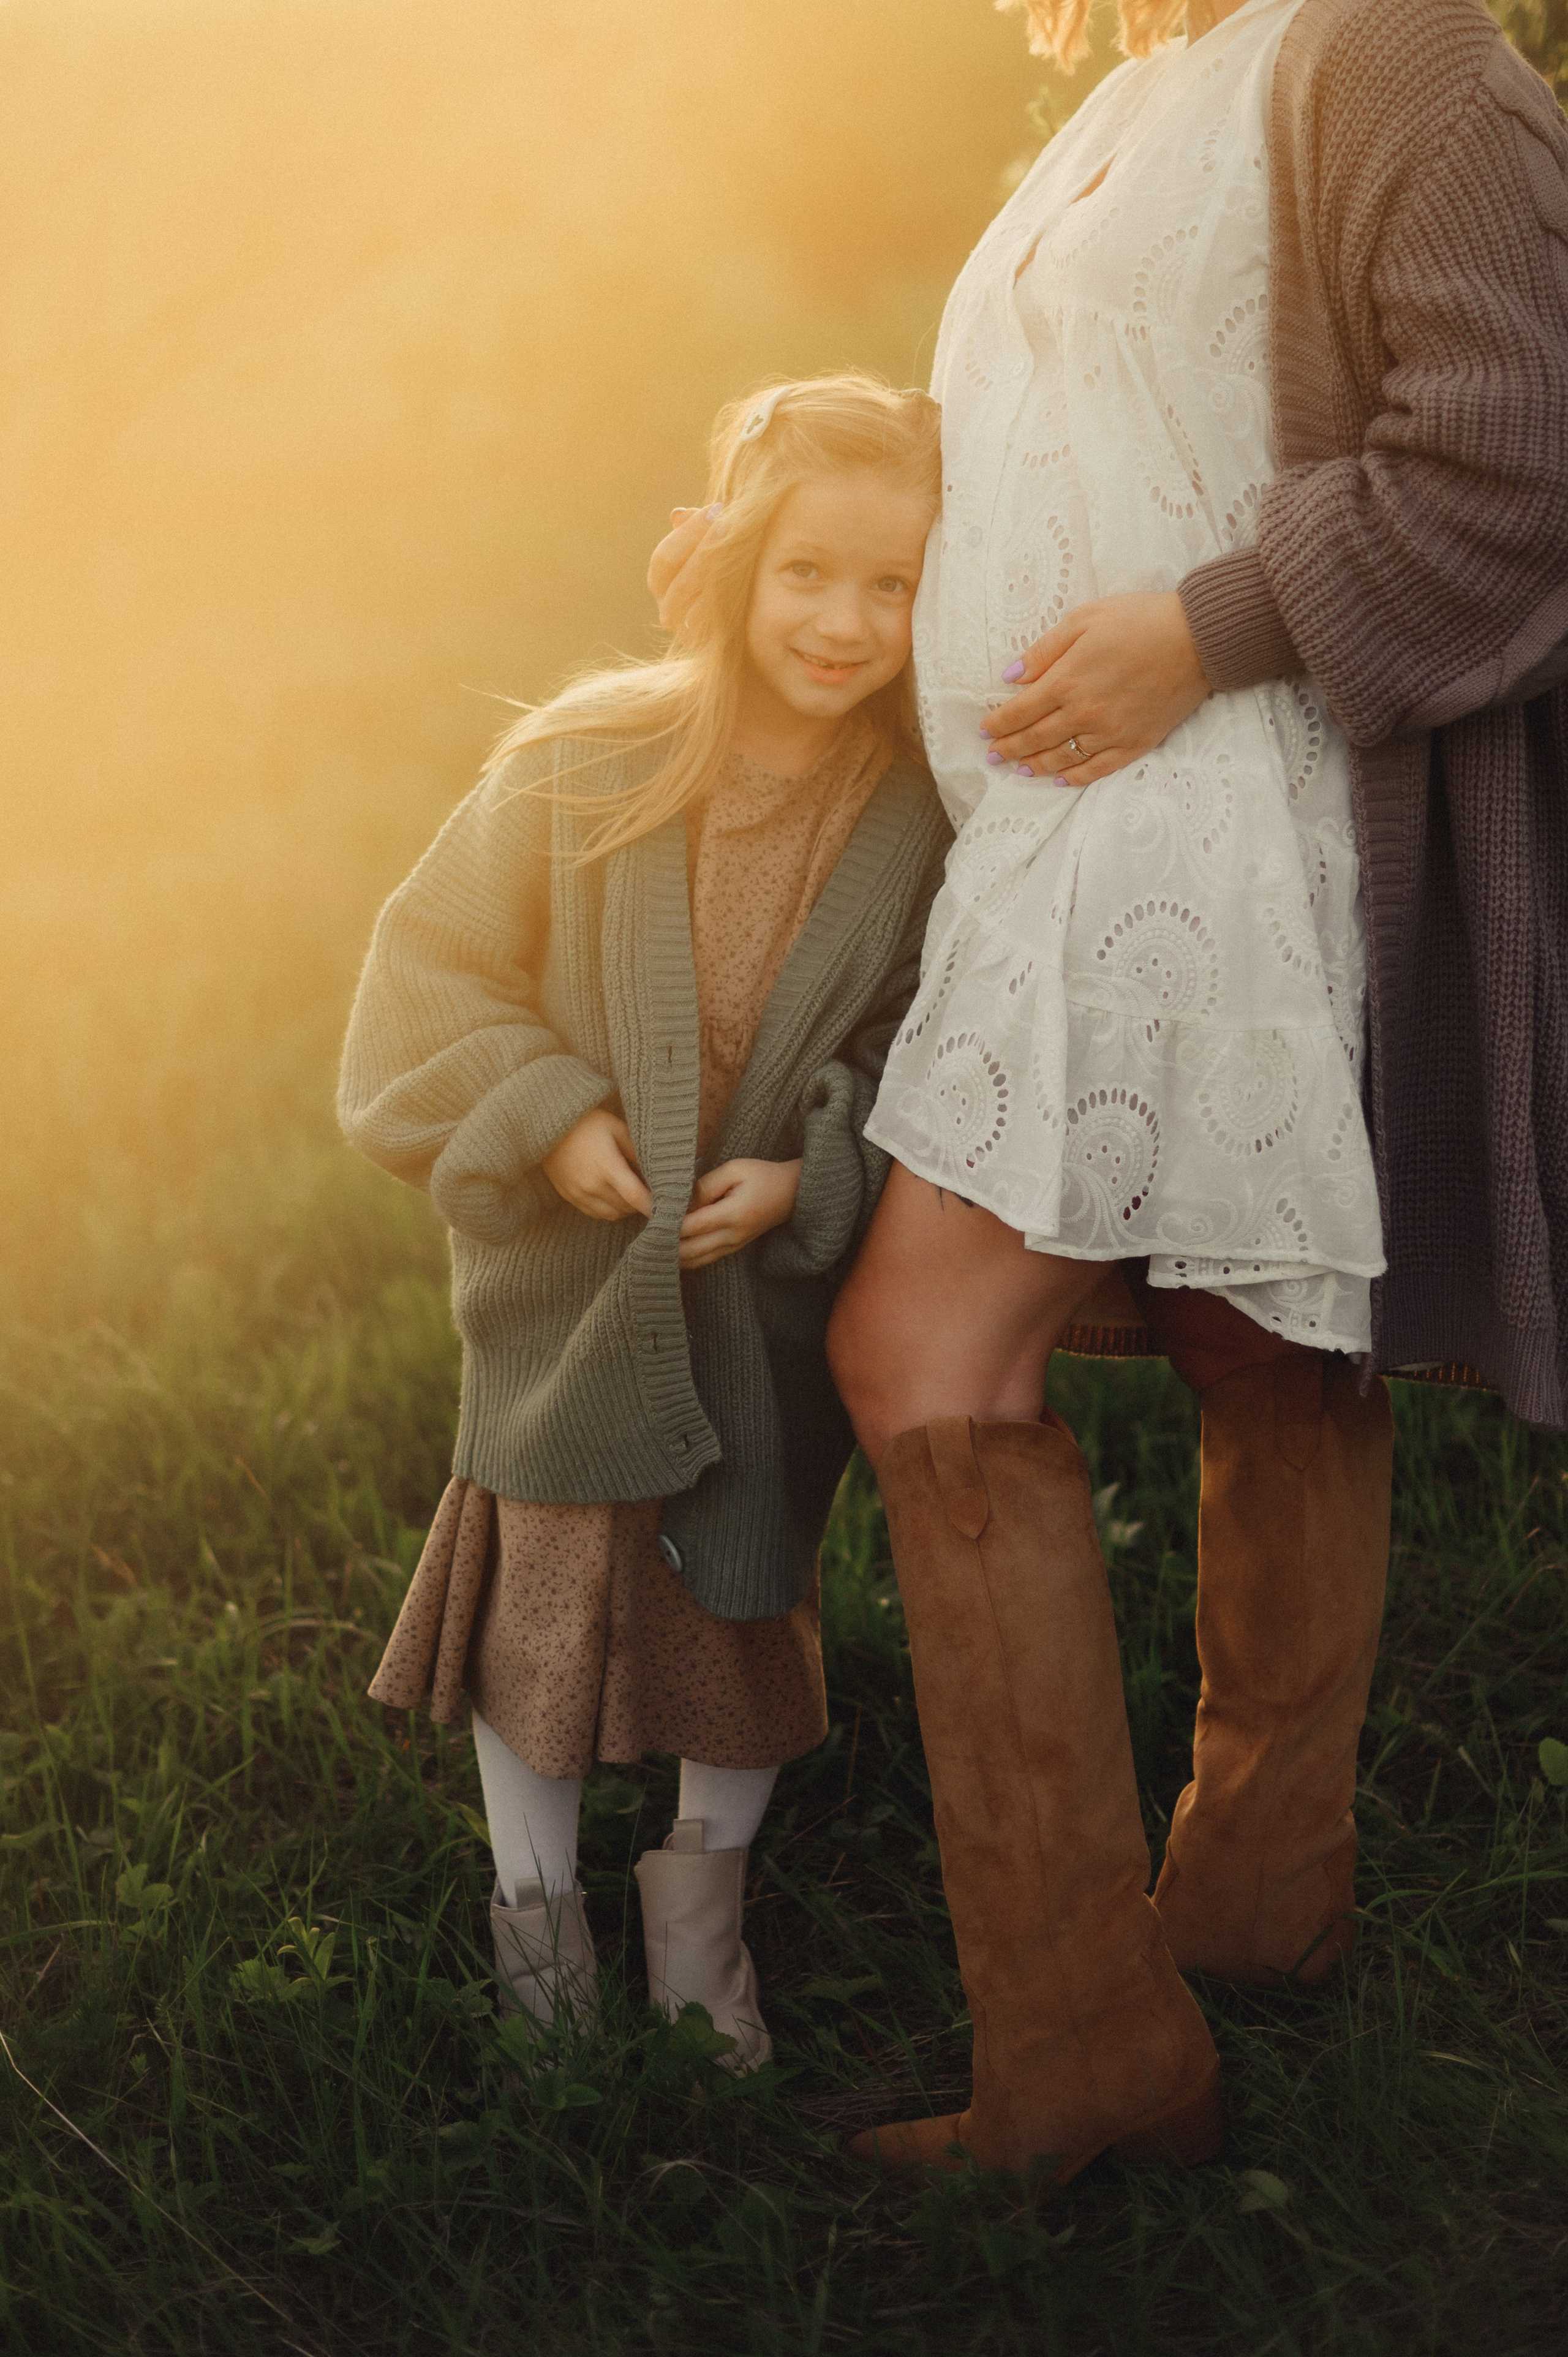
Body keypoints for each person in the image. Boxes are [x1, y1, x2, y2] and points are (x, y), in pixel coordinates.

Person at [650, 0, 1568, 2178]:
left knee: (920, 1346)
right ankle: (1259, 1905)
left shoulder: (1394, 47)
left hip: (1213, 798)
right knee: (1258, 1338)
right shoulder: (1139, 89)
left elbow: (1524, 443)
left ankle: (1086, 2051)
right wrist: (791, 528)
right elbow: (1077, 438)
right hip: (1082, 805)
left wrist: (1212, 624)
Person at [340, 373, 951, 2067]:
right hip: (575, 1297)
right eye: (807, 572)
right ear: (737, 562)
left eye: (892, 585)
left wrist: (817, 1172)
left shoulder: (917, 820)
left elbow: (923, 1040)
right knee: (541, 1620)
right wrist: (546, 1116)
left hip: (762, 1315)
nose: (843, 622)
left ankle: (700, 1944)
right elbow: (428, 972)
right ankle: (539, 1947)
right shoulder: (587, 757)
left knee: (739, 1611)